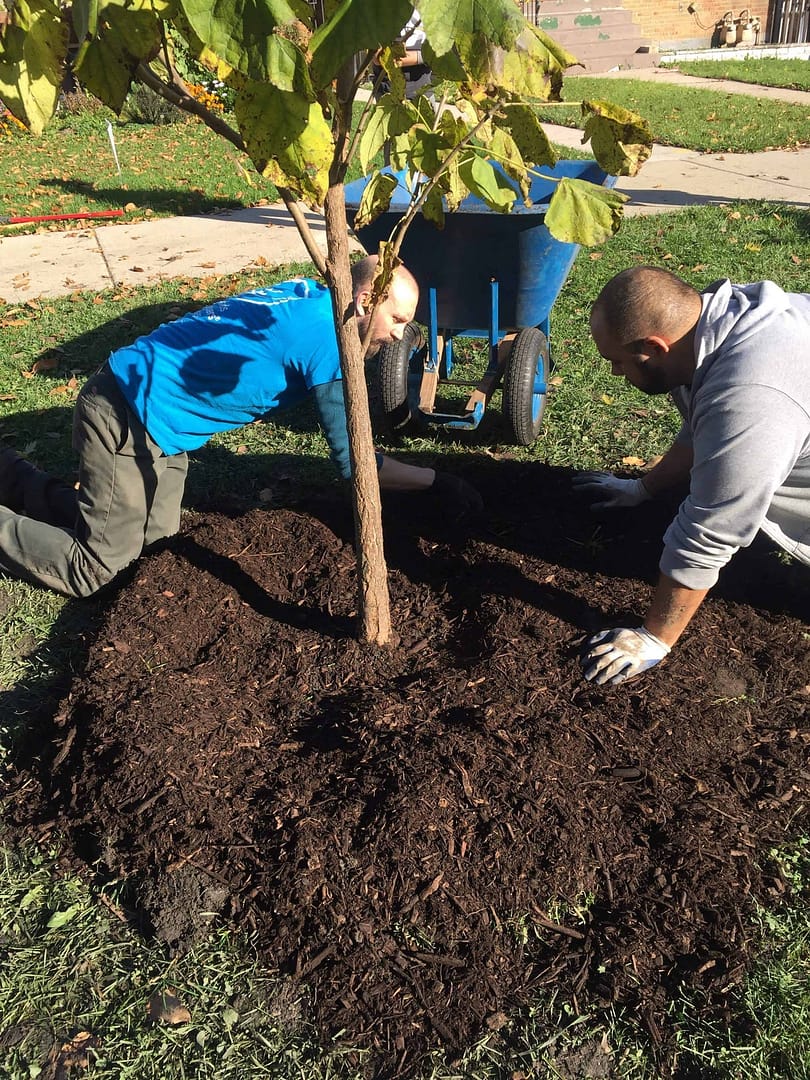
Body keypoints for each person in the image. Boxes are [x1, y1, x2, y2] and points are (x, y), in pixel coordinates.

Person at [0, 255, 482, 598]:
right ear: (361, 301)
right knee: (100, 570)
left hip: (160, 419)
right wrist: (439, 481)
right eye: (397, 319)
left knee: (155, 550)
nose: (400, 334)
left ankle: (11, 475)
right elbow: (357, 465)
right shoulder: (328, 344)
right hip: (127, 408)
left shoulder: (314, 295)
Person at [574, 266, 810, 685]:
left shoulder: (751, 398)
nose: (614, 374)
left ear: (654, 347)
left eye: (618, 362)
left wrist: (654, 637)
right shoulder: (716, 325)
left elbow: (713, 526)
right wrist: (641, 488)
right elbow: (706, 426)